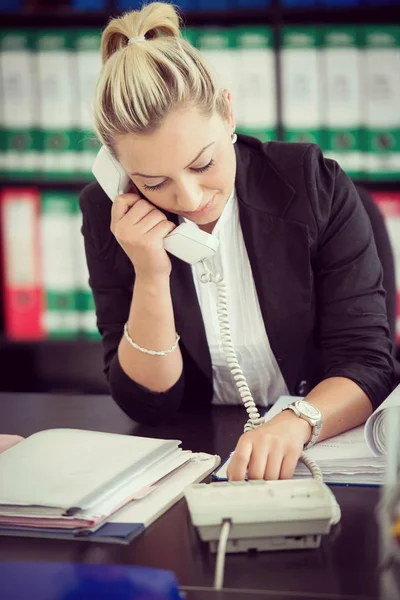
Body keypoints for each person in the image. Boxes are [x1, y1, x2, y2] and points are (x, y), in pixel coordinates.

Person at [80, 1, 394, 481]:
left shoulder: (312, 185)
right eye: (152, 181)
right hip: (199, 457)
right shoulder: (112, 215)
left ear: (227, 113)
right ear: (120, 172)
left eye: (202, 164)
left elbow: (369, 363)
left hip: (316, 448)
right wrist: (150, 272)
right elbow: (146, 403)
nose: (188, 198)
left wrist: (297, 421)